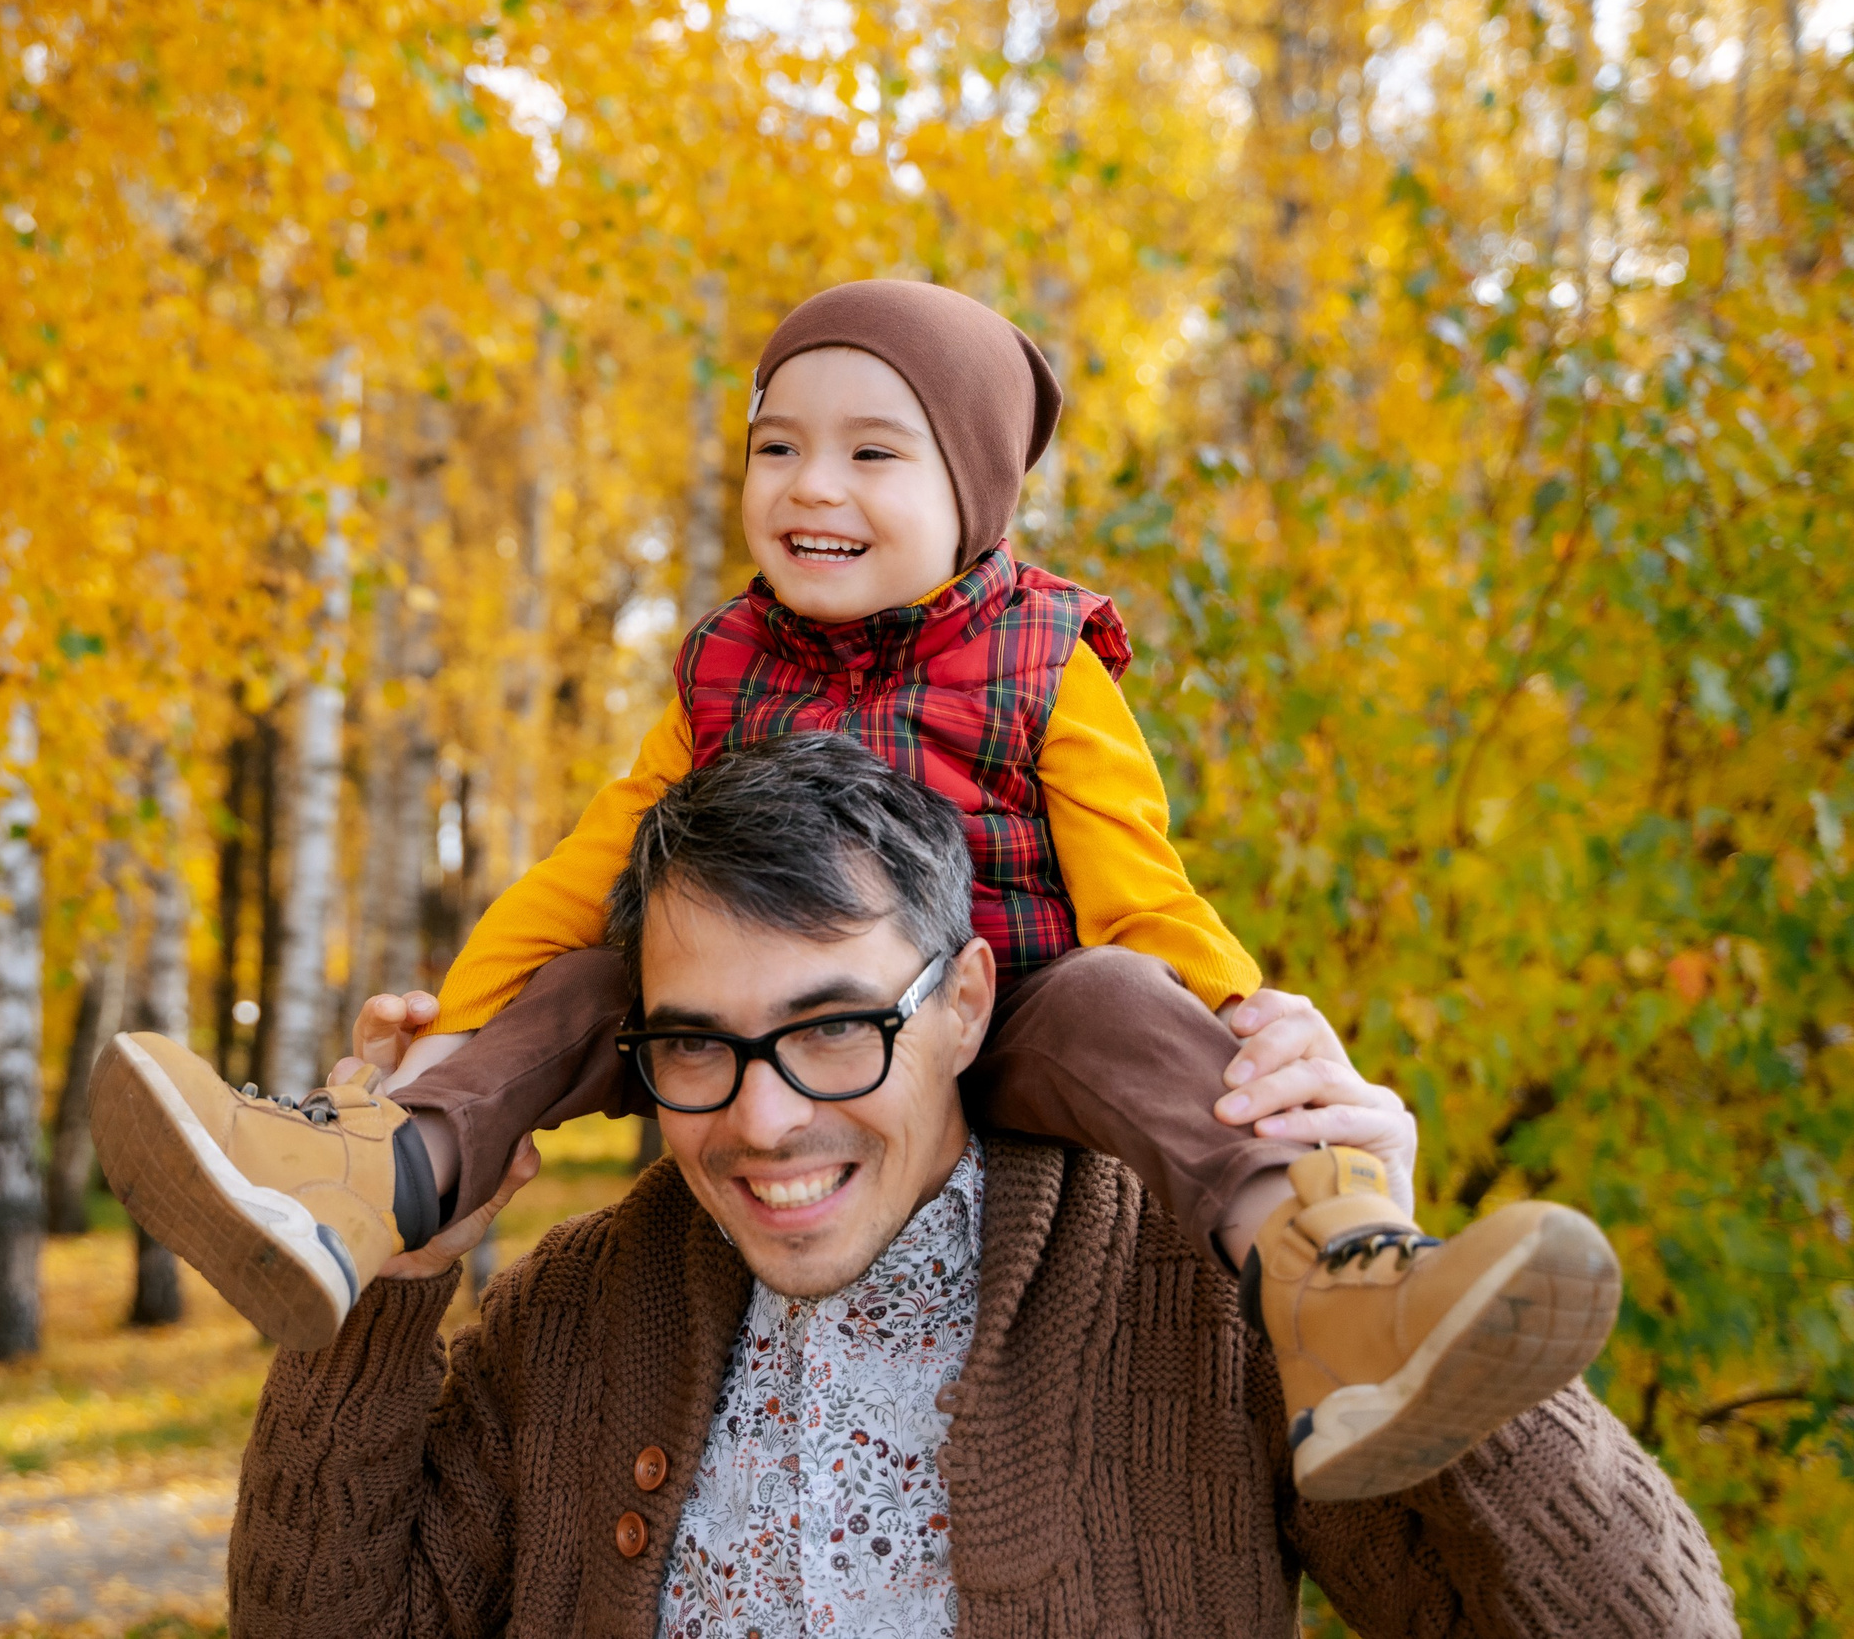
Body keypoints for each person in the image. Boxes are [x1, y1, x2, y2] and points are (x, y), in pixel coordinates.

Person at [93, 279, 1617, 1497]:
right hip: (734, 1026)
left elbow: (1139, 889)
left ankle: (1332, 1287)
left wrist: (1254, 1032)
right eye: (777, 446)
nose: (810, 484)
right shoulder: (721, 665)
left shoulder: (1044, 658)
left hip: (1003, 1013)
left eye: (874, 453)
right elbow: (588, 864)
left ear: (976, 491)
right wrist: (454, 1034)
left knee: (1115, 993)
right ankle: (374, 1181)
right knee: (594, 974)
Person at [221, 735, 1732, 1638]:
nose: (763, 1121)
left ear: (963, 1002)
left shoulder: (1200, 1300)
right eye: (695, 1045)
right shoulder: (574, 1314)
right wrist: (389, 1291)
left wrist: (1379, 1266)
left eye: (834, 1028)